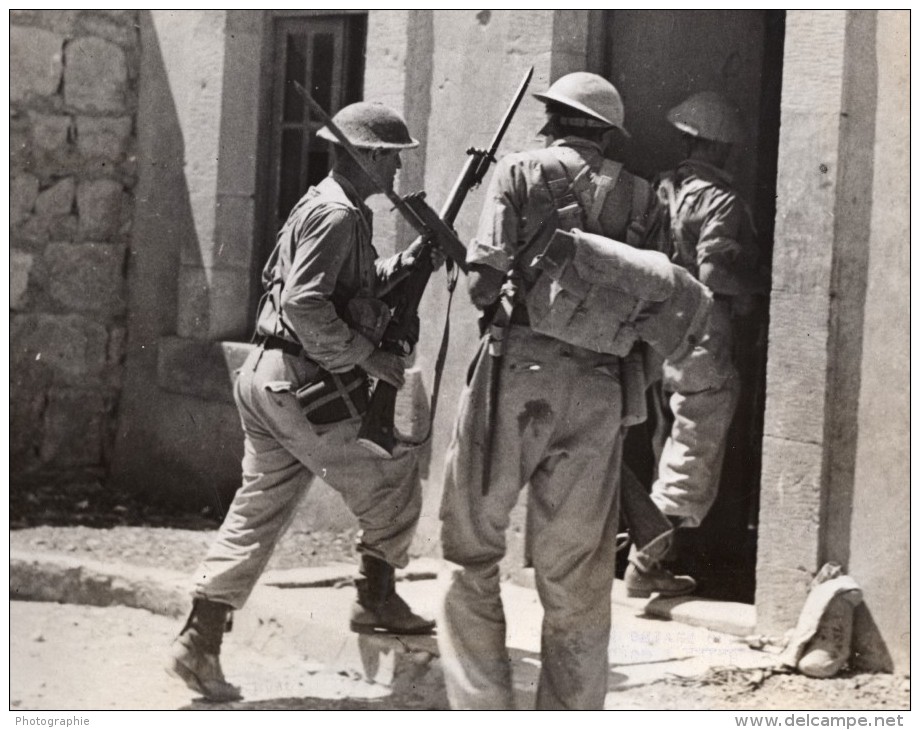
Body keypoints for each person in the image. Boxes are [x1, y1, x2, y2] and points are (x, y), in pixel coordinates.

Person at [167, 101, 440, 702]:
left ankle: (199, 638)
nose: (396, 170)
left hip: (268, 377)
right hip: (302, 382)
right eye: (391, 157)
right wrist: (367, 358)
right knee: (394, 475)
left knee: (259, 508)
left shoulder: (325, 205)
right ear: (366, 156)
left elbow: (339, 288)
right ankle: (376, 601)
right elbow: (305, 305)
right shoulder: (340, 216)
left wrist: (411, 264)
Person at [436, 72, 657, 710]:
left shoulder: (518, 172)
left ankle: (482, 711)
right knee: (580, 582)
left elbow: (483, 278)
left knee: (471, 549)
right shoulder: (645, 198)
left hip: (520, 375)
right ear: (610, 133)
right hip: (601, 387)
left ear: (555, 119)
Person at [624, 91, 759, 598]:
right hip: (701, 326)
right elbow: (714, 272)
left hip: (655, 327)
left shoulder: (660, 189)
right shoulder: (719, 199)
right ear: (722, 149)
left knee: (663, 440)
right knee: (695, 441)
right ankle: (649, 560)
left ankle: (653, 551)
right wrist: (763, 287)